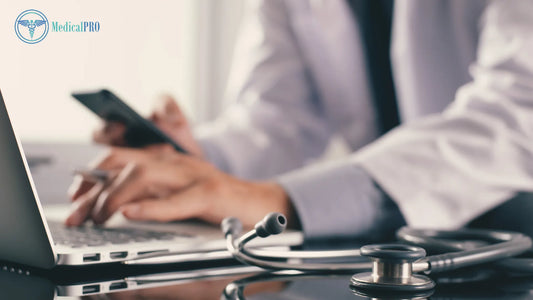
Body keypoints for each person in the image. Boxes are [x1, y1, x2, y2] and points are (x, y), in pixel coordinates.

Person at [67, 0, 533, 241]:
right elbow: (279, 117)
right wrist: (194, 159)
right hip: (397, 245)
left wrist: (277, 199)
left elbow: (517, 113)